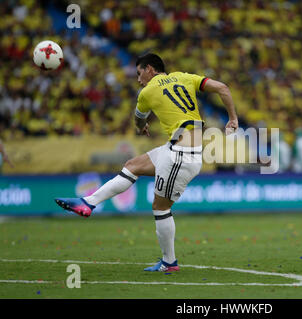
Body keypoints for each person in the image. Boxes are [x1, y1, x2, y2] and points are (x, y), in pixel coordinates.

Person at [55, 52, 239, 271]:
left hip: (181, 155)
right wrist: (233, 118)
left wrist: (140, 127)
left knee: (160, 208)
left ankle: (169, 263)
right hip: (178, 149)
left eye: (139, 73)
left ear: (150, 69)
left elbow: (138, 118)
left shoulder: (147, 92)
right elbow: (223, 88)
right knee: (132, 166)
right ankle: (88, 202)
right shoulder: (185, 77)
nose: (138, 79)